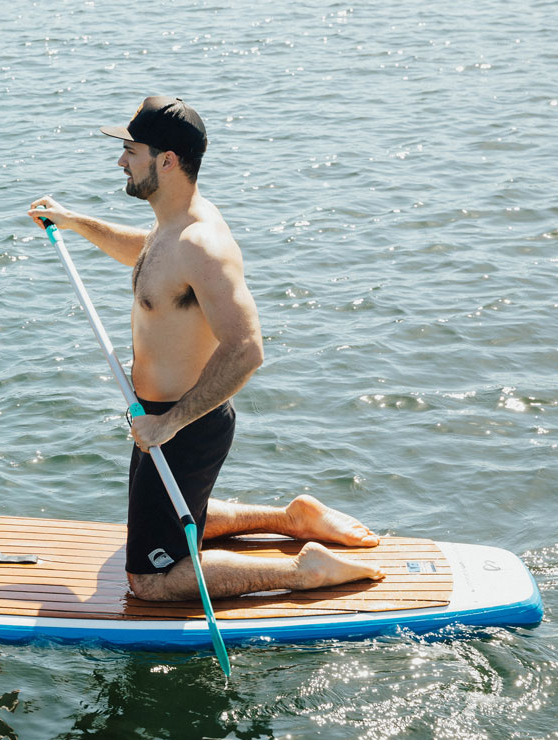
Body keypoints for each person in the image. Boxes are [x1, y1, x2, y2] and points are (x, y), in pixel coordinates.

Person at [29, 95, 384, 602]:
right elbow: (149, 257)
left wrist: (168, 424)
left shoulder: (203, 244)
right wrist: (75, 222)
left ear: (167, 161)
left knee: (148, 580)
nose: (120, 161)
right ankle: (292, 518)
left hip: (184, 424)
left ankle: (305, 572)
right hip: (157, 417)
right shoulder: (171, 225)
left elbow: (247, 349)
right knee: (171, 520)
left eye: (132, 151)